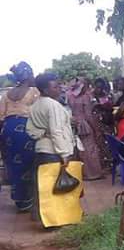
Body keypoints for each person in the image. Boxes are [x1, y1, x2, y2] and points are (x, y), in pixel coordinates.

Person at [27, 73, 81, 228]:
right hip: (54, 151)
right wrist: (64, 154)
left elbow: (30, 130)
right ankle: (55, 221)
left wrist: (43, 133)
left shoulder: (36, 104)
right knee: (57, 187)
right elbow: (56, 131)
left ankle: (42, 217)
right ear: (45, 89)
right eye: (55, 86)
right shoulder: (53, 105)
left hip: (41, 150)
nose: (59, 89)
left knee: (44, 187)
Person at [0, 62, 39, 211]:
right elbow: (38, 112)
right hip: (25, 130)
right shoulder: (34, 92)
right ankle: (29, 199)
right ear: (28, 75)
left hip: (8, 130)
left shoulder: (6, 94)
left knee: (13, 164)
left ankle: (19, 200)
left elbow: (1, 117)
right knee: (28, 163)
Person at [67, 78, 105, 180]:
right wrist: (96, 129)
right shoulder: (85, 97)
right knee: (90, 149)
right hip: (85, 124)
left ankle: (79, 172)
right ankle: (93, 173)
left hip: (74, 122)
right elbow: (88, 115)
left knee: (78, 149)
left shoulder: (70, 96)